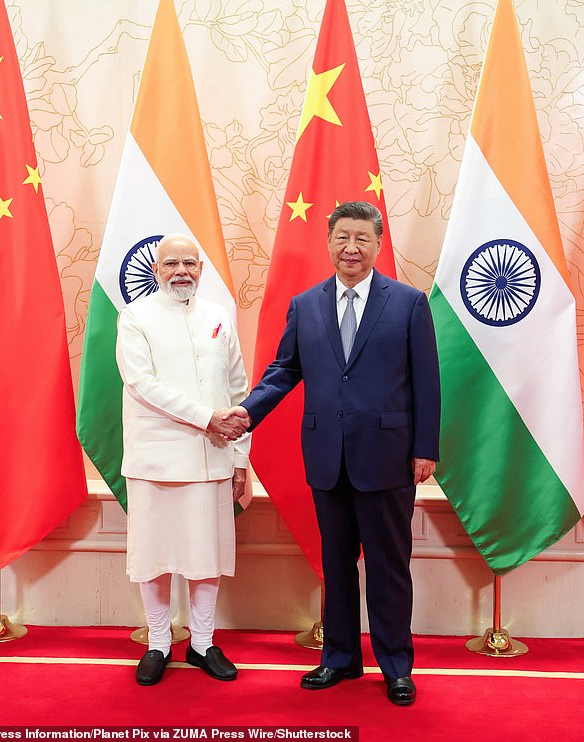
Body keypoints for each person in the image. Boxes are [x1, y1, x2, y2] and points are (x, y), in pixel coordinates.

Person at [235, 201, 440, 705]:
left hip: (388, 457)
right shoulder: (305, 305)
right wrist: (246, 412)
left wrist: (425, 449)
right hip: (328, 456)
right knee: (337, 565)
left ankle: (396, 666)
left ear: (377, 245)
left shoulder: (408, 303)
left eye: (362, 239)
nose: (351, 248)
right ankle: (340, 658)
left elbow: (427, 382)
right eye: (342, 238)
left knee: (389, 567)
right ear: (329, 242)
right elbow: (285, 370)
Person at [116, 233, 250, 686]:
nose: (181, 271)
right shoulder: (135, 316)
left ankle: (202, 643)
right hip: (154, 460)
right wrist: (207, 417)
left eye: (189, 263)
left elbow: (238, 389)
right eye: (171, 263)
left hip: (212, 458)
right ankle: (158, 642)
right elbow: (141, 384)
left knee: (206, 556)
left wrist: (241, 458)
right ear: (156, 270)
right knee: (153, 557)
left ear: (200, 269)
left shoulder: (218, 316)